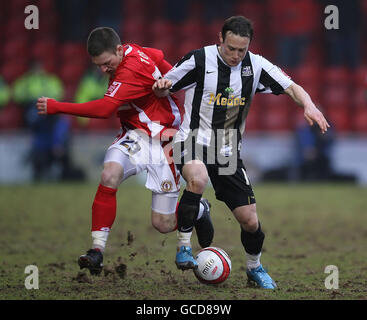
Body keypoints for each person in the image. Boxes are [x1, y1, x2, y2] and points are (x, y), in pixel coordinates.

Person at [153, 16, 330, 289]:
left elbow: (292, 87)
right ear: (220, 40)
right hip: (192, 140)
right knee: (197, 178)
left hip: (226, 150)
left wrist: (309, 105)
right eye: (231, 48)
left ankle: (254, 268)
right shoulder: (199, 60)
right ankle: (184, 247)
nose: (236, 55)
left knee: (250, 221)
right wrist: (161, 88)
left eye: (241, 50)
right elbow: (165, 87)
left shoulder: (256, 65)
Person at [37, 27, 214, 275]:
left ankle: (200, 209)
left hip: (164, 139)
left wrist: (57, 106)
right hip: (134, 136)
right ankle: (96, 251)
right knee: (110, 174)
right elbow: (159, 55)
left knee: (163, 224)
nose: (103, 70)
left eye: (106, 63)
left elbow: (104, 110)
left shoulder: (130, 69)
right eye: (98, 65)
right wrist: (168, 80)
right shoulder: (133, 50)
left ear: (119, 50)